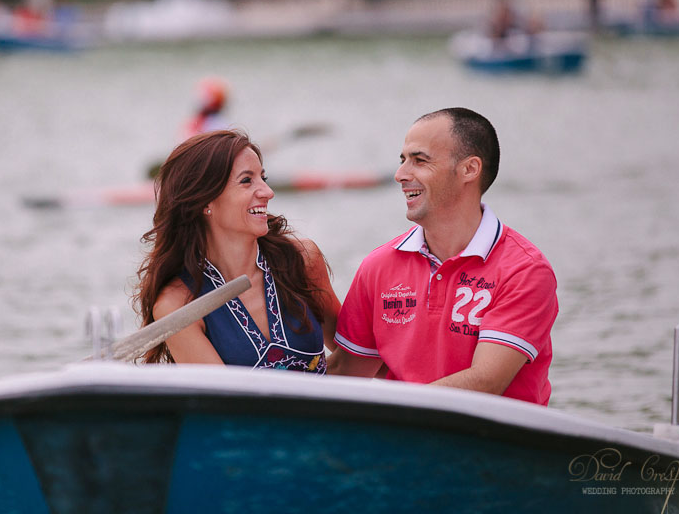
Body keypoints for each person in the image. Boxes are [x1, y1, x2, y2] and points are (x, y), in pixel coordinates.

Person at [328, 108, 558, 405]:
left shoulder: (525, 270)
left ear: (469, 170)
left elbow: (485, 383)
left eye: (419, 160)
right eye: (402, 161)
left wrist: (393, 411)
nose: (400, 175)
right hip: (401, 440)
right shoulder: (378, 265)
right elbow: (346, 370)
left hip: (495, 445)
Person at [135, 130, 340, 372]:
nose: (267, 192)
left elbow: (358, 353)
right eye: (247, 181)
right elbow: (222, 404)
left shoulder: (302, 260)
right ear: (204, 202)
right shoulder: (177, 305)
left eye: (264, 178)